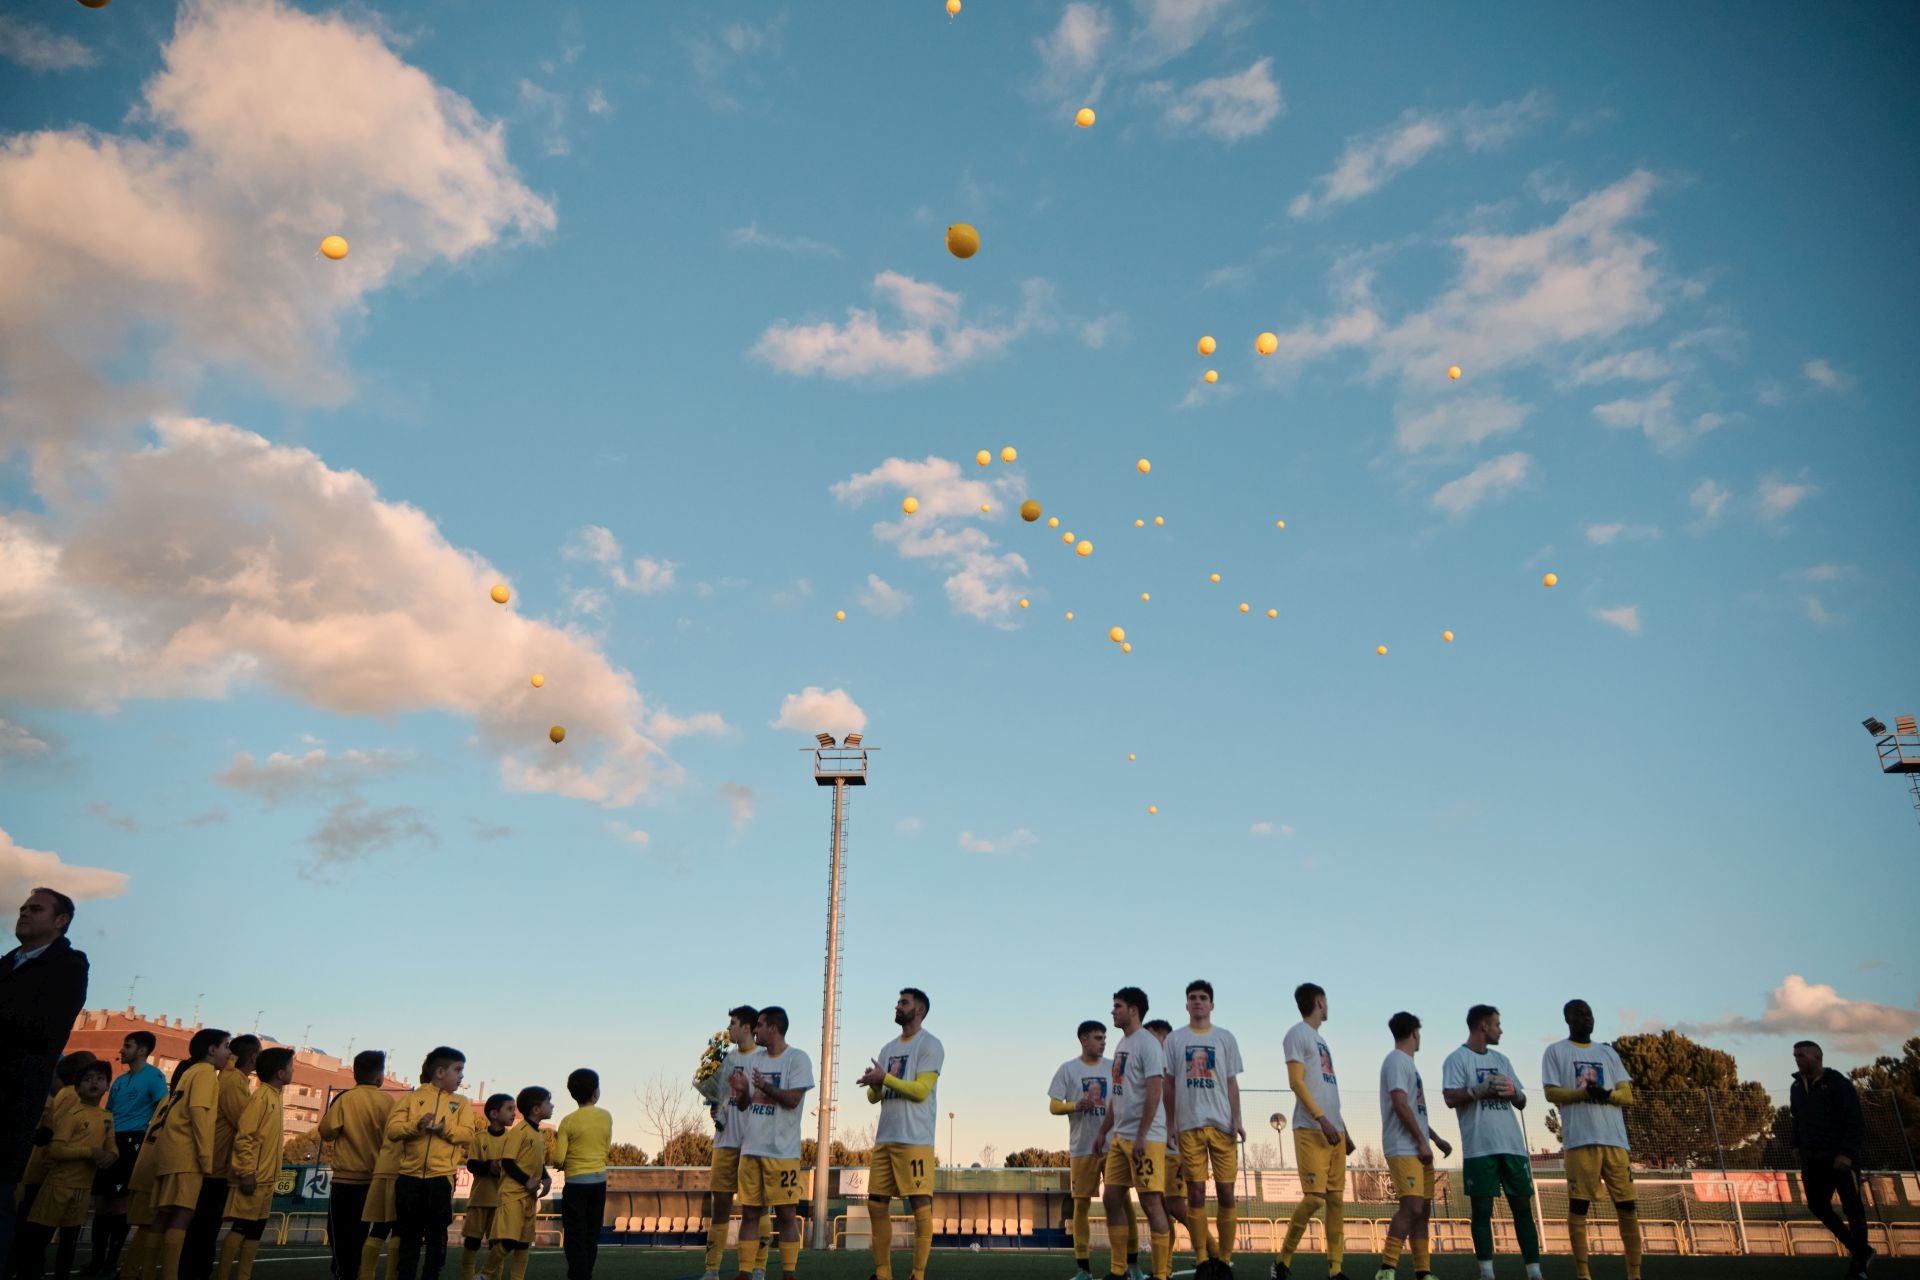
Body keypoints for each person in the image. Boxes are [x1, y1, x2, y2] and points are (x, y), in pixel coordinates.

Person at [1, 889, 91, 1269]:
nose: (24, 913)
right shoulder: (7, 963)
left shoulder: (68, 965)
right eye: (22, 908)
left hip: (12, 1093)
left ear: (60, 921)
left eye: (35, 908)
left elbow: (43, 1025)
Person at [1541, 1002, 1642, 1280]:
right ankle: (1583, 1273)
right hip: (1579, 1141)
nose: (1586, 1018)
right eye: (1580, 1014)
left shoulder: (1608, 1053)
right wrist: (1584, 1094)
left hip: (1615, 1142)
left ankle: (1634, 1273)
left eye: (1589, 1014)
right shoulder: (1555, 1051)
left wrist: (1605, 1095)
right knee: (1579, 1206)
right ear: (1567, 1019)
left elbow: (1627, 1095)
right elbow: (1551, 1093)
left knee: (1627, 1206)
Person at [1440, 1006, 1541, 1280]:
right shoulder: (1456, 1059)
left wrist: (1512, 1092)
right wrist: (1477, 1090)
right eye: (1497, 1024)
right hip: (1479, 1147)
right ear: (1483, 1026)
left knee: (1522, 1207)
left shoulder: (1503, 1060)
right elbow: (1449, 1097)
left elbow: (1522, 1101)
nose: (1501, 1029)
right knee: (1481, 1210)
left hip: (1512, 1146)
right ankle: (1487, 1272)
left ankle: (1534, 1271)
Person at [856, 989, 943, 1280]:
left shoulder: (930, 1045)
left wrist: (886, 1078)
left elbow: (920, 1091)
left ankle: (917, 1274)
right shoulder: (887, 1048)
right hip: (885, 1138)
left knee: (919, 1204)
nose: (897, 1006)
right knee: (876, 1203)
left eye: (903, 1002)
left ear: (919, 1011)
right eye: (898, 1002)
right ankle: (883, 1273)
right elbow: (873, 1097)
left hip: (915, 1139)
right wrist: (875, 1083)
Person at [1166, 980, 1246, 1278]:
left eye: (1202, 998)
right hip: (1189, 1127)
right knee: (1195, 1195)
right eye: (1192, 998)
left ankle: (1224, 1261)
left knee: (1227, 1194)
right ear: (1186, 1005)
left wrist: (1237, 1120)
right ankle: (1201, 1260)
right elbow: (1170, 1085)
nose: (1197, 1002)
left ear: (1212, 1005)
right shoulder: (1175, 1040)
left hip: (1222, 1126)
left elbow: (1231, 1083)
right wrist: (1172, 1124)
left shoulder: (1225, 1038)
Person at [1274, 983, 1351, 1280]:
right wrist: (1322, 1119)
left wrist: (1343, 1127)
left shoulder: (1321, 1040)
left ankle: (1336, 1270)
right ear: (1320, 1002)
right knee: (1315, 1198)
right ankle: (1282, 1262)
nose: (1328, 1006)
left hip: (1335, 1130)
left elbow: (1326, 1088)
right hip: (1310, 1128)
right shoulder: (1297, 1034)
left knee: (1335, 1201)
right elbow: (1296, 1082)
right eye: (1326, 1001)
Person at [144, 1029, 233, 1280]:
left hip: (168, 1152)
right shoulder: (206, 1074)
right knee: (183, 1214)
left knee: (163, 1215)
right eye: (226, 1046)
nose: (229, 1052)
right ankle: (171, 1274)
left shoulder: (188, 1073)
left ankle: (148, 1272)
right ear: (212, 1049)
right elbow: (200, 1115)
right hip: (187, 1155)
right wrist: (206, 1157)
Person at [1093, 987, 1170, 1280]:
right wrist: (1103, 1131)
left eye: (1118, 1006)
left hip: (1146, 1138)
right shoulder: (1121, 1045)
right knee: (1111, 1198)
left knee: (1151, 1203)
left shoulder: (1148, 1044)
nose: (1113, 1011)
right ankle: (1118, 1270)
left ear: (1133, 1010)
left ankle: (1161, 1274)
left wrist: (1142, 1134)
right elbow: (1118, 1093)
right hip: (1119, 1137)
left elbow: (1154, 1091)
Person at [731, 1007, 812, 1280]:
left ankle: (788, 1273)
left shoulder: (797, 1059)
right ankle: (744, 1272)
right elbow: (745, 1106)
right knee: (750, 1214)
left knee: (787, 1215)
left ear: (774, 1029)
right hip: (751, 1149)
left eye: (760, 1025)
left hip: (782, 1152)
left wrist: (765, 1087)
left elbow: (792, 1100)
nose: (756, 1030)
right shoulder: (756, 1060)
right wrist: (742, 1092)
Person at [14, 1057, 113, 1280]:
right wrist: (90, 1153)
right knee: (38, 1235)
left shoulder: (104, 1117)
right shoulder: (70, 1098)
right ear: (78, 1081)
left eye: (100, 1078)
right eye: (89, 1077)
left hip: (60, 1178)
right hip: (52, 1178)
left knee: (50, 1237)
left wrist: (109, 1155)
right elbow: (56, 1140)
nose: (94, 1083)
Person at [384, 1048, 475, 1280]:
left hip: (441, 1177)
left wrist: (444, 1129)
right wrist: (416, 1126)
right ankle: (405, 1275)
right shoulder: (411, 1099)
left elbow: (468, 1135)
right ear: (440, 1071)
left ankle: (431, 1276)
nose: (461, 1076)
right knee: (408, 1235)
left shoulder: (461, 1103)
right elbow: (393, 1131)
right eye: (458, 1070)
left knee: (437, 1234)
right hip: (408, 1177)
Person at [1374, 1013, 1450, 1280]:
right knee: (1412, 1208)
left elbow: (1414, 1111)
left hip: (1418, 1147)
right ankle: (1386, 1268)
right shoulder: (1396, 1060)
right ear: (1415, 1033)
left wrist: (1435, 1138)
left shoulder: (1408, 1065)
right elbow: (1399, 1103)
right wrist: (1420, 1141)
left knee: (1423, 1212)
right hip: (1403, 1147)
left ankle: (1423, 1271)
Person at [1789, 1039, 1874, 1278]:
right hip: (1813, 1160)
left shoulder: (1838, 1084)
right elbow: (1797, 1118)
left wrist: (1846, 1153)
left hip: (1840, 1159)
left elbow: (1854, 1121)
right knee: (1817, 1205)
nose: (1797, 1059)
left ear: (1817, 1056)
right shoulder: (1797, 1087)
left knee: (1853, 1209)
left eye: (1802, 1055)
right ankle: (1861, 1250)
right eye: (1795, 1055)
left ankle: (1859, 1267)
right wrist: (1796, 1144)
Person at [701, 1007, 773, 1280]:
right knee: (719, 1205)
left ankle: (758, 1267)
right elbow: (721, 1098)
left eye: (733, 1023)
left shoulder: (764, 1058)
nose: (728, 1028)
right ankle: (712, 1269)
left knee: (756, 1207)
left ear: (747, 1027)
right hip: (724, 1142)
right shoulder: (728, 1058)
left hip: (752, 1144)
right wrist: (715, 1109)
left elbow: (766, 1100)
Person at [88, 1033, 165, 1278]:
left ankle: (112, 1261)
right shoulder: (120, 1081)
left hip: (133, 1140)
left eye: (127, 1046)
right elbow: (108, 1112)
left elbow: (163, 1108)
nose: (122, 1050)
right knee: (101, 1204)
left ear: (142, 1050)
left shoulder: (154, 1077)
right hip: (110, 1140)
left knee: (120, 1203)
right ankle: (96, 1259)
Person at [182, 1037, 260, 1280]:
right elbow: (245, 1123)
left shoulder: (230, 1079)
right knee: (203, 1226)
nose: (227, 1053)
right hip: (213, 1167)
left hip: (216, 1165)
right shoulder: (231, 1080)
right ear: (253, 1057)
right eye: (224, 1047)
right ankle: (194, 1271)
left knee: (204, 1226)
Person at [211, 1049, 291, 1280]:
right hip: (253, 1178)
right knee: (241, 1228)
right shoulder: (261, 1098)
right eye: (291, 1067)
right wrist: (246, 1172)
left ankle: (243, 1275)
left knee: (255, 1231)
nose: (293, 1070)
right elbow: (245, 1136)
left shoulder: (276, 1096)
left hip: (266, 1179)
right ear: (280, 1073)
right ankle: (223, 1275)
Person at [319, 1051, 395, 1280]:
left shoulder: (345, 1099)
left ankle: (344, 1272)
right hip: (375, 1179)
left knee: (341, 1234)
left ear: (355, 1073)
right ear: (380, 1076)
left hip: (345, 1180)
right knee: (366, 1233)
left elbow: (326, 1131)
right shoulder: (388, 1102)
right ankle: (362, 1272)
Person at [1047, 1020, 1110, 1280]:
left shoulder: (1113, 1067)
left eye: (1105, 1037)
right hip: (1082, 1148)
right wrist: (1075, 1105)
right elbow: (1053, 1106)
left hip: (1114, 1146)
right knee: (1081, 1206)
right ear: (1084, 1039)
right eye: (1098, 1037)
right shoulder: (1068, 1069)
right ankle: (1084, 1269)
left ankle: (1129, 1265)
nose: (1103, 1041)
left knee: (1118, 1203)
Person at [480, 1088, 551, 1280]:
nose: (552, 1105)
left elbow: (537, 1162)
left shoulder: (539, 1134)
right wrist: (526, 1181)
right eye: (548, 1102)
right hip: (512, 1195)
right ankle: (484, 1275)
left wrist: (546, 1176)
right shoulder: (519, 1131)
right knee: (509, 1240)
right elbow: (508, 1162)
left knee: (523, 1243)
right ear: (536, 1109)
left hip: (528, 1197)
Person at [553, 1069, 611, 1280]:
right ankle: (585, 1272)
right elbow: (606, 1148)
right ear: (596, 1092)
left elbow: (558, 1159)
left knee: (574, 1233)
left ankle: (579, 1274)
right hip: (599, 1180)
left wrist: (563, 1164)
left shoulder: (567, 1121)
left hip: (576, 1182)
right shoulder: (606, 1116)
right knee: (591, 1233)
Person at [1145, 1020, 1188, 1273]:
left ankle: (1214, 1255)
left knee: (1176, 1207)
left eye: (1151, 1037)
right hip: (1157, 1146)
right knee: (1159, 1209)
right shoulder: (1151, 1067)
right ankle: (1164, 1268)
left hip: (1174, 1147)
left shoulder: (1174, 1067)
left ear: (1163, 1038)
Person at [459, 1096, 514, 1280]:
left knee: (496, 1244)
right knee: (472, 1242)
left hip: (502, 1202)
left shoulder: (512, 1139)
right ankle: (467, 1276)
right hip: (480, 1198)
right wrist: (490, 1166)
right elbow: (472, 1165)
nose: (513, 1113)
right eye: (509, 1109)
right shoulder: (479, 1138)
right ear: (493, 1114)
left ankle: (492, 1277)